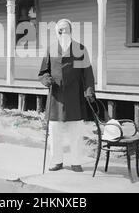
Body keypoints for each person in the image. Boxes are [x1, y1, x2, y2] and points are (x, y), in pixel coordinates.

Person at [38, 19, 96, 172]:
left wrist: (89, 90)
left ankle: (76, 161)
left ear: (71, 31)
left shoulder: (80, 49)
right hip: (56, 96)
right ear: (57, 32)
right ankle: (57, 161)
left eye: (66, 29)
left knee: (75, 131)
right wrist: (46, 79)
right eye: (60, 30)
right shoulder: (51, 49)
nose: (63, 32)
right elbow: (43, 72)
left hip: (74, 96)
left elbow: (87, 73)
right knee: (54, 131)